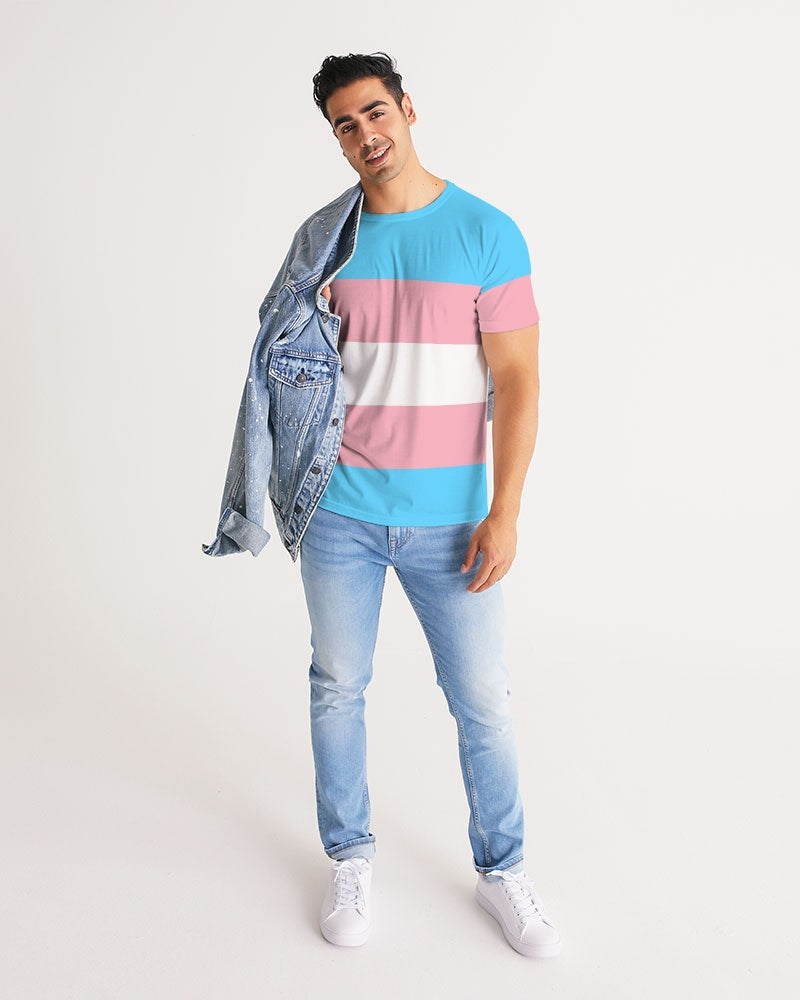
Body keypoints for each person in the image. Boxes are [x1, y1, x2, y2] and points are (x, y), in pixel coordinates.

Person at [204, 51, 561, 958]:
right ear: (335, 139)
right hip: (340, 513)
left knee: (482, 700)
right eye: (345, 124)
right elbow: (276, 369)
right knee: (337, 687)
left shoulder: (486, 232)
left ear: (407, 108)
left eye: (375, 112)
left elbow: (519, 381)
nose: (365, 134)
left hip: (454, 521)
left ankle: (503, 871)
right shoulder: (326, 240)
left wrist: (507, 511)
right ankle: (350, 858)